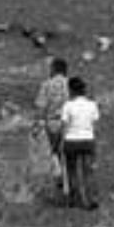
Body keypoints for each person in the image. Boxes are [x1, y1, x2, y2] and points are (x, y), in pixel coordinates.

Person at [59, 75, 100, 210]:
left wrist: (61, 141)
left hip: (71, 141)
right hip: (88, 140)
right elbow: (95, 125)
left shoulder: (67, 105)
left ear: (71, 90)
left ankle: (74, 198)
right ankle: (90, 199)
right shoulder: (92, 104)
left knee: (71, 172)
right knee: (88, 172)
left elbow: (64, 125)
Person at [33, 57, 70, 195]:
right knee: (67, 152)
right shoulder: (70, 84)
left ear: (54, 69)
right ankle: (69, 181)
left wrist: (37, 123)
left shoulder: (46, 85)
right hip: (68, 123)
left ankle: (59, 175)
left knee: (54, 151)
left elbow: (40, 106)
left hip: (52, 123)